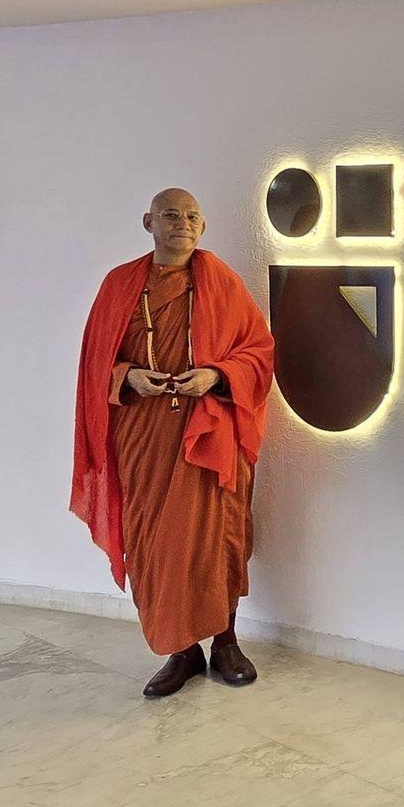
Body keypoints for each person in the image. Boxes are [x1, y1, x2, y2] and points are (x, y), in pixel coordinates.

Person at [70, 188, 275, 697]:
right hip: (142, 435)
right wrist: (129, 376)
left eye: (190, 216)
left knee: (216, 539)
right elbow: (94, 365)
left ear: (202, 227)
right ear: (148, 222)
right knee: (152, 540)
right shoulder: (119, 285)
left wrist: (217, 375)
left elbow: (259, 353)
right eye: (169, 215)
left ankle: (225, 640)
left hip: (209, 433)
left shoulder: (222, 283)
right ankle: (181, 650)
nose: (181, 223)